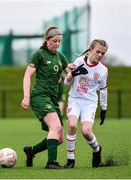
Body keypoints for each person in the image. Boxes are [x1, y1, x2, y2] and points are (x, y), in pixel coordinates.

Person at [21, 26, 69, 169]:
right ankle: (51, 163)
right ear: (47, 39)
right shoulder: (39, 54)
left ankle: (31, 151)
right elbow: (27, 75)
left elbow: (69, 75)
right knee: (55, 126)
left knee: (59, 138)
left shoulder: (61, 57)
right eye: (54, 41)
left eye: (59, 41)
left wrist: (78, 68)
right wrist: (26, 97)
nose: (57, 44)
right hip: (40, 96)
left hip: (53, 99)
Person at [63, 39, 108, 168]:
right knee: (72, 125)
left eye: (102, 53)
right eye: (97, 51)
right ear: (90, 50)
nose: (99, 55)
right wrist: (73, 73)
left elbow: (104, 90)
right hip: (75, 100)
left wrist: (104, 108)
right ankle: (70, 161)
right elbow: (66, 82)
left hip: (90, 103)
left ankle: (97, 149)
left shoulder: (103, 70)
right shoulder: (78, 61)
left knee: (86, 131)